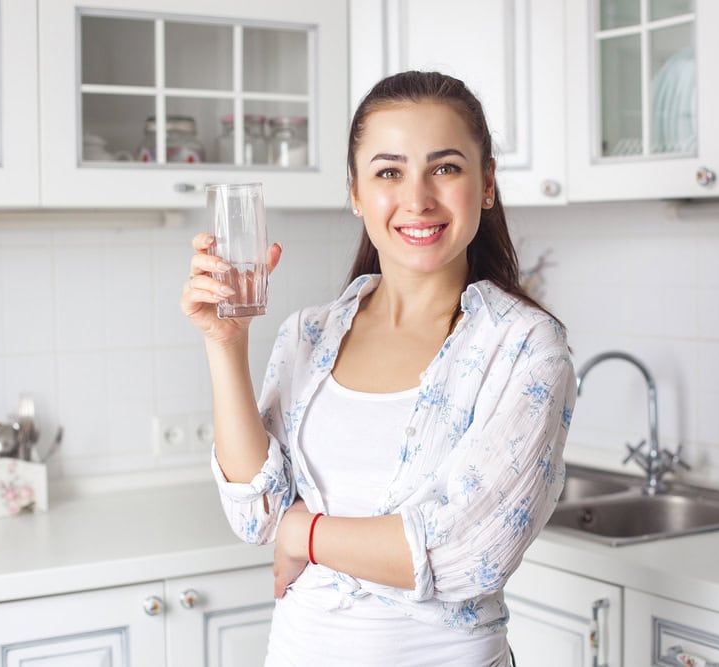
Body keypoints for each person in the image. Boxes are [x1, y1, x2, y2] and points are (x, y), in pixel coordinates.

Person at [181, 71, 575, 667]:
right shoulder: (308, 334)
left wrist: (304, 535)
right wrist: (225, 344)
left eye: (445, 168)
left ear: (487, 184)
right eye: (389, 172)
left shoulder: (524, 347)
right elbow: (255, 510)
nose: (417, 199)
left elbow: (471, 552)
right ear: (357, 192)